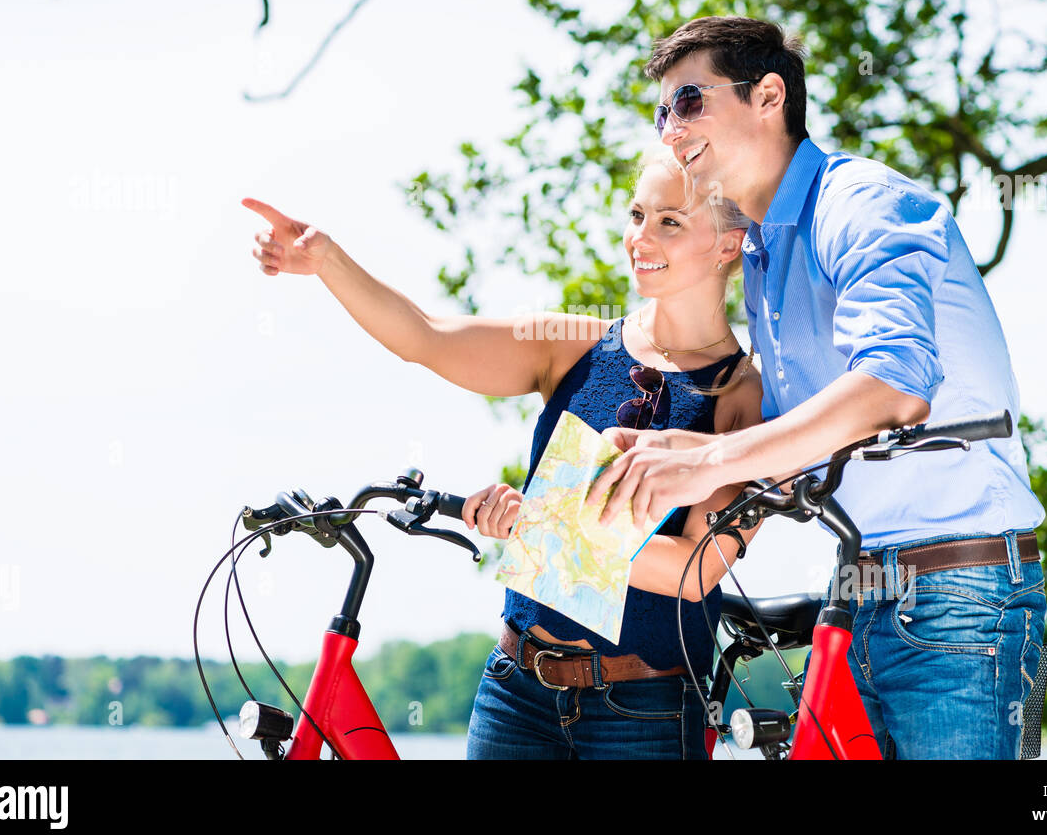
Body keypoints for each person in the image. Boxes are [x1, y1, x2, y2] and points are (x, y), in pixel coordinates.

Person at [589, 16, 1047, 759]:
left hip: (960, 596)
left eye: (691, 102)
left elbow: (893, 386)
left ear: (769, 96)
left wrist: (705, 462)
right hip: (860, 591)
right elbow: (797, 443)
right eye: (662, 111)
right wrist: (659, 455)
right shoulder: (769, 251)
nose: (670, 130)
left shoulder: (860, 204)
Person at [243, 152, 763, 759]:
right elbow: (424, 337)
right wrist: (327, 260)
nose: (640, 237)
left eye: (669, 221)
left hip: (644, 711)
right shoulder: (577, 345)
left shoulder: (742, 397)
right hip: (516, 690)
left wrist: (534, 524)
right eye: (637, 214)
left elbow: (693, 573)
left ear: (729, 244)